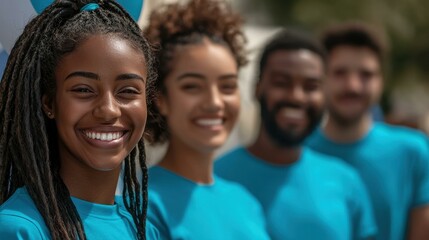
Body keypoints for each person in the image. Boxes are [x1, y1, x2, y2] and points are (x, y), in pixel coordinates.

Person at [0, 0, 159, 239]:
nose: (108, 111)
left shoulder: (143, 230)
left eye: (127, 91)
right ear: (49, 103)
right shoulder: (20, 228)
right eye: (84, 90)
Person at [215, 29, 377, 240]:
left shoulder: (346, 182)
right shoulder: (216, 178)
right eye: (282, 83)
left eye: (311, 86)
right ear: (257, 89)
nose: (296, 97)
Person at [143, 0, 270, 239]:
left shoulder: (246, 202)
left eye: (228, 86)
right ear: (160, 98)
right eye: (192, 86)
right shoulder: (143, 205)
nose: (214, 102)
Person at [306, 22, 429, 240]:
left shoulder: (413, 151)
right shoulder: (297, 153)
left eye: (366, 74)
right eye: (340, 73)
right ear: (319, 79)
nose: (352, 86)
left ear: (381, 81)